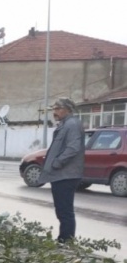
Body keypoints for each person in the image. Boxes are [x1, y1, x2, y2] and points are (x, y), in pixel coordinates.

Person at [37, 98, 85, 243]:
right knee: (62, 209)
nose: (55, 112)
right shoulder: (65, 124)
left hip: (66, 174)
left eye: (58, 109)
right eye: (54, 109)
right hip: (61, 174)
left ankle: (66, 240)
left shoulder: (72, 124)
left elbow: (73, 148)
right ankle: (64, 239)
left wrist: (57, 163)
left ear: (68, 109)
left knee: (65, 210)